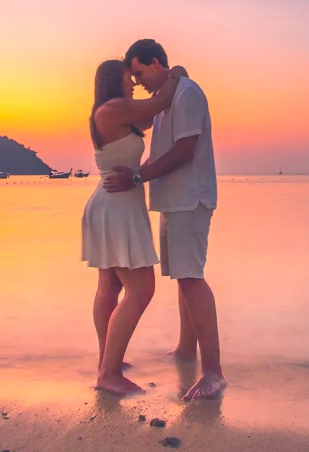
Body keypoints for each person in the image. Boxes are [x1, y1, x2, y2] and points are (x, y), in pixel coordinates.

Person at [104, 39, 225, 401]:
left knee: (191, 278)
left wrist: (138, 177)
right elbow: (146, 118)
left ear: (156, 63)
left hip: (191, 199)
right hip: (174, 201)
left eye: (139, 72)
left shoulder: (186, 93)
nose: (137, 81)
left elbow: (185, 150)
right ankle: (187, 349)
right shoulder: (166, 100)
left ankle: (214, 372)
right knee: (181, 278)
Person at [83, 58, 188, 395]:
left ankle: (107, 361)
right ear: (116, 80)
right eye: (130, 77)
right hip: (116, 206)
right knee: (141, 289)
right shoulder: (113, 107)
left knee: (110, 286)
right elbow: (159, 103)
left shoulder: (117, 112)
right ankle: (109, 373)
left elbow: (155, 114)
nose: (133, 83)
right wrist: (175, 75)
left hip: (116, 201)